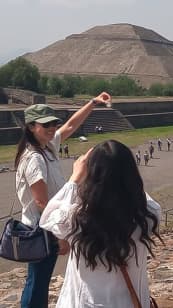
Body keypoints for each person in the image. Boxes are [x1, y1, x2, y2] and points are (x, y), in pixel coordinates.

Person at [15, 91, 111, 308]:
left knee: (38, 279)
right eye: (45, 124)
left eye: (53, 123)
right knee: (38, 281)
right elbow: (41, 202)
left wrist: (92, 103)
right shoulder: (34, 159)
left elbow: (70, 126)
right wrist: (60, 235)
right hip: (42, 229)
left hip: (45, 227)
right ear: (31, 127)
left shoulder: (47, 146)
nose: (51, 128)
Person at [39, 140, 162, 307]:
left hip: (86, 302)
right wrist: (123, 176)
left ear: (91, 175)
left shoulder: (77, 218)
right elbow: (138, 194)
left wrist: (74, 178)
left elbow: (47, 217)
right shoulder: (147, 214)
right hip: (129, 302)